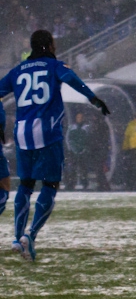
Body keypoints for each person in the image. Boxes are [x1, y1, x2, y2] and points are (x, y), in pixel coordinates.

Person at [0, 29, 110, 260]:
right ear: (49, 45)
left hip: (21, 133)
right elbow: (72, 79)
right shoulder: (54, 66)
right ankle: (30, 236)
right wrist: (94, 99)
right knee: (50, 186)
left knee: (25, 186)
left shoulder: (17, 70)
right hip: (47, 132)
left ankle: (16, 238)